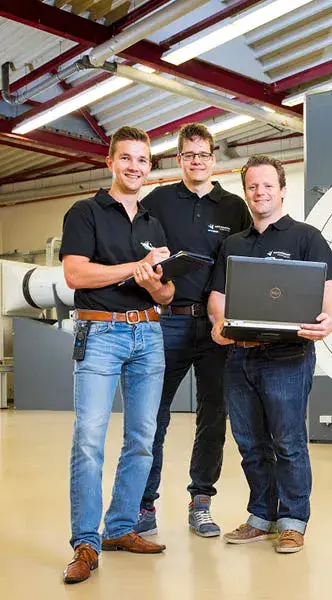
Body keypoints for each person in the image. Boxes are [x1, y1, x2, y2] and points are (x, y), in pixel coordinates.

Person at [208, 155, 332, 553]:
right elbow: (218, 297)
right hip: (240, 357)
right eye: (252, 186)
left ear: (282, 190)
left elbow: (328, 291)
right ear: (246, 192)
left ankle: (293, 520)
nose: (260, 192)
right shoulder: (233, 244)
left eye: (268, 185)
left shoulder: (306, 237)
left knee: (288, 441)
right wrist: (219, 323)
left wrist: (329, 320)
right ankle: (262, 516)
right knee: (250, 443)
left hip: (288, 357)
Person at [60, 126, 175, 584]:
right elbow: (74, 274)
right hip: (101, 333)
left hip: (148, 334)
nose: (134, 167)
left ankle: (121, 528)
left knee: (143, 438)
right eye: (125, 158)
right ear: (110, 162)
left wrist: (154, 284)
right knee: (89, 438)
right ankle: (85, 542)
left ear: (150, 167)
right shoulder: (85, 212)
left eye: (142, 160)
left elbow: (166, 292)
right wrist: (135, 268)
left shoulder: (152, 223)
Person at [136, 123, 251, 538]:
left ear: (213, 158)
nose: (196, 161)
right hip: (167, 322)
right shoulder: (157, 202)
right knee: (153, 416)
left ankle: (200, 502)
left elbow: (245, 262)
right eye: (189, 155)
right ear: (179, 159)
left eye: (203, 154)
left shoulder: (233, 206)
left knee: (212, 417)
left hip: (218, 326)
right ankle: (144, 505)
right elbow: (138, 251)